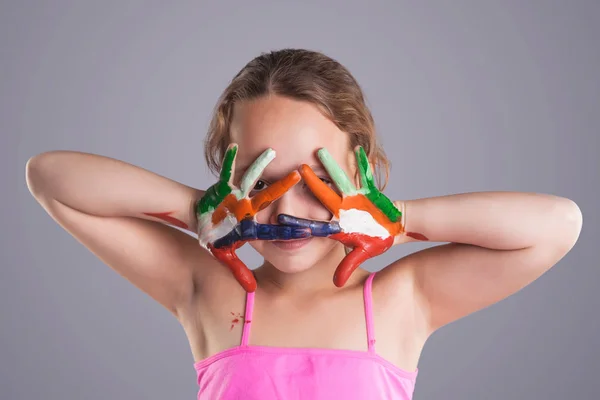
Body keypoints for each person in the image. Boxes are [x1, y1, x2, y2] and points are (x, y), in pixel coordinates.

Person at [25, 48, 583, 400]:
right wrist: (195, 210)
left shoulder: (400, 298)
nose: (287, 211)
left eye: (315, 180)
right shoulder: (202, 289)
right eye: (259, 179)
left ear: (360, 172)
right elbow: (50, 177)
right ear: (229, 178)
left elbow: (558, 224)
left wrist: (402, 222)